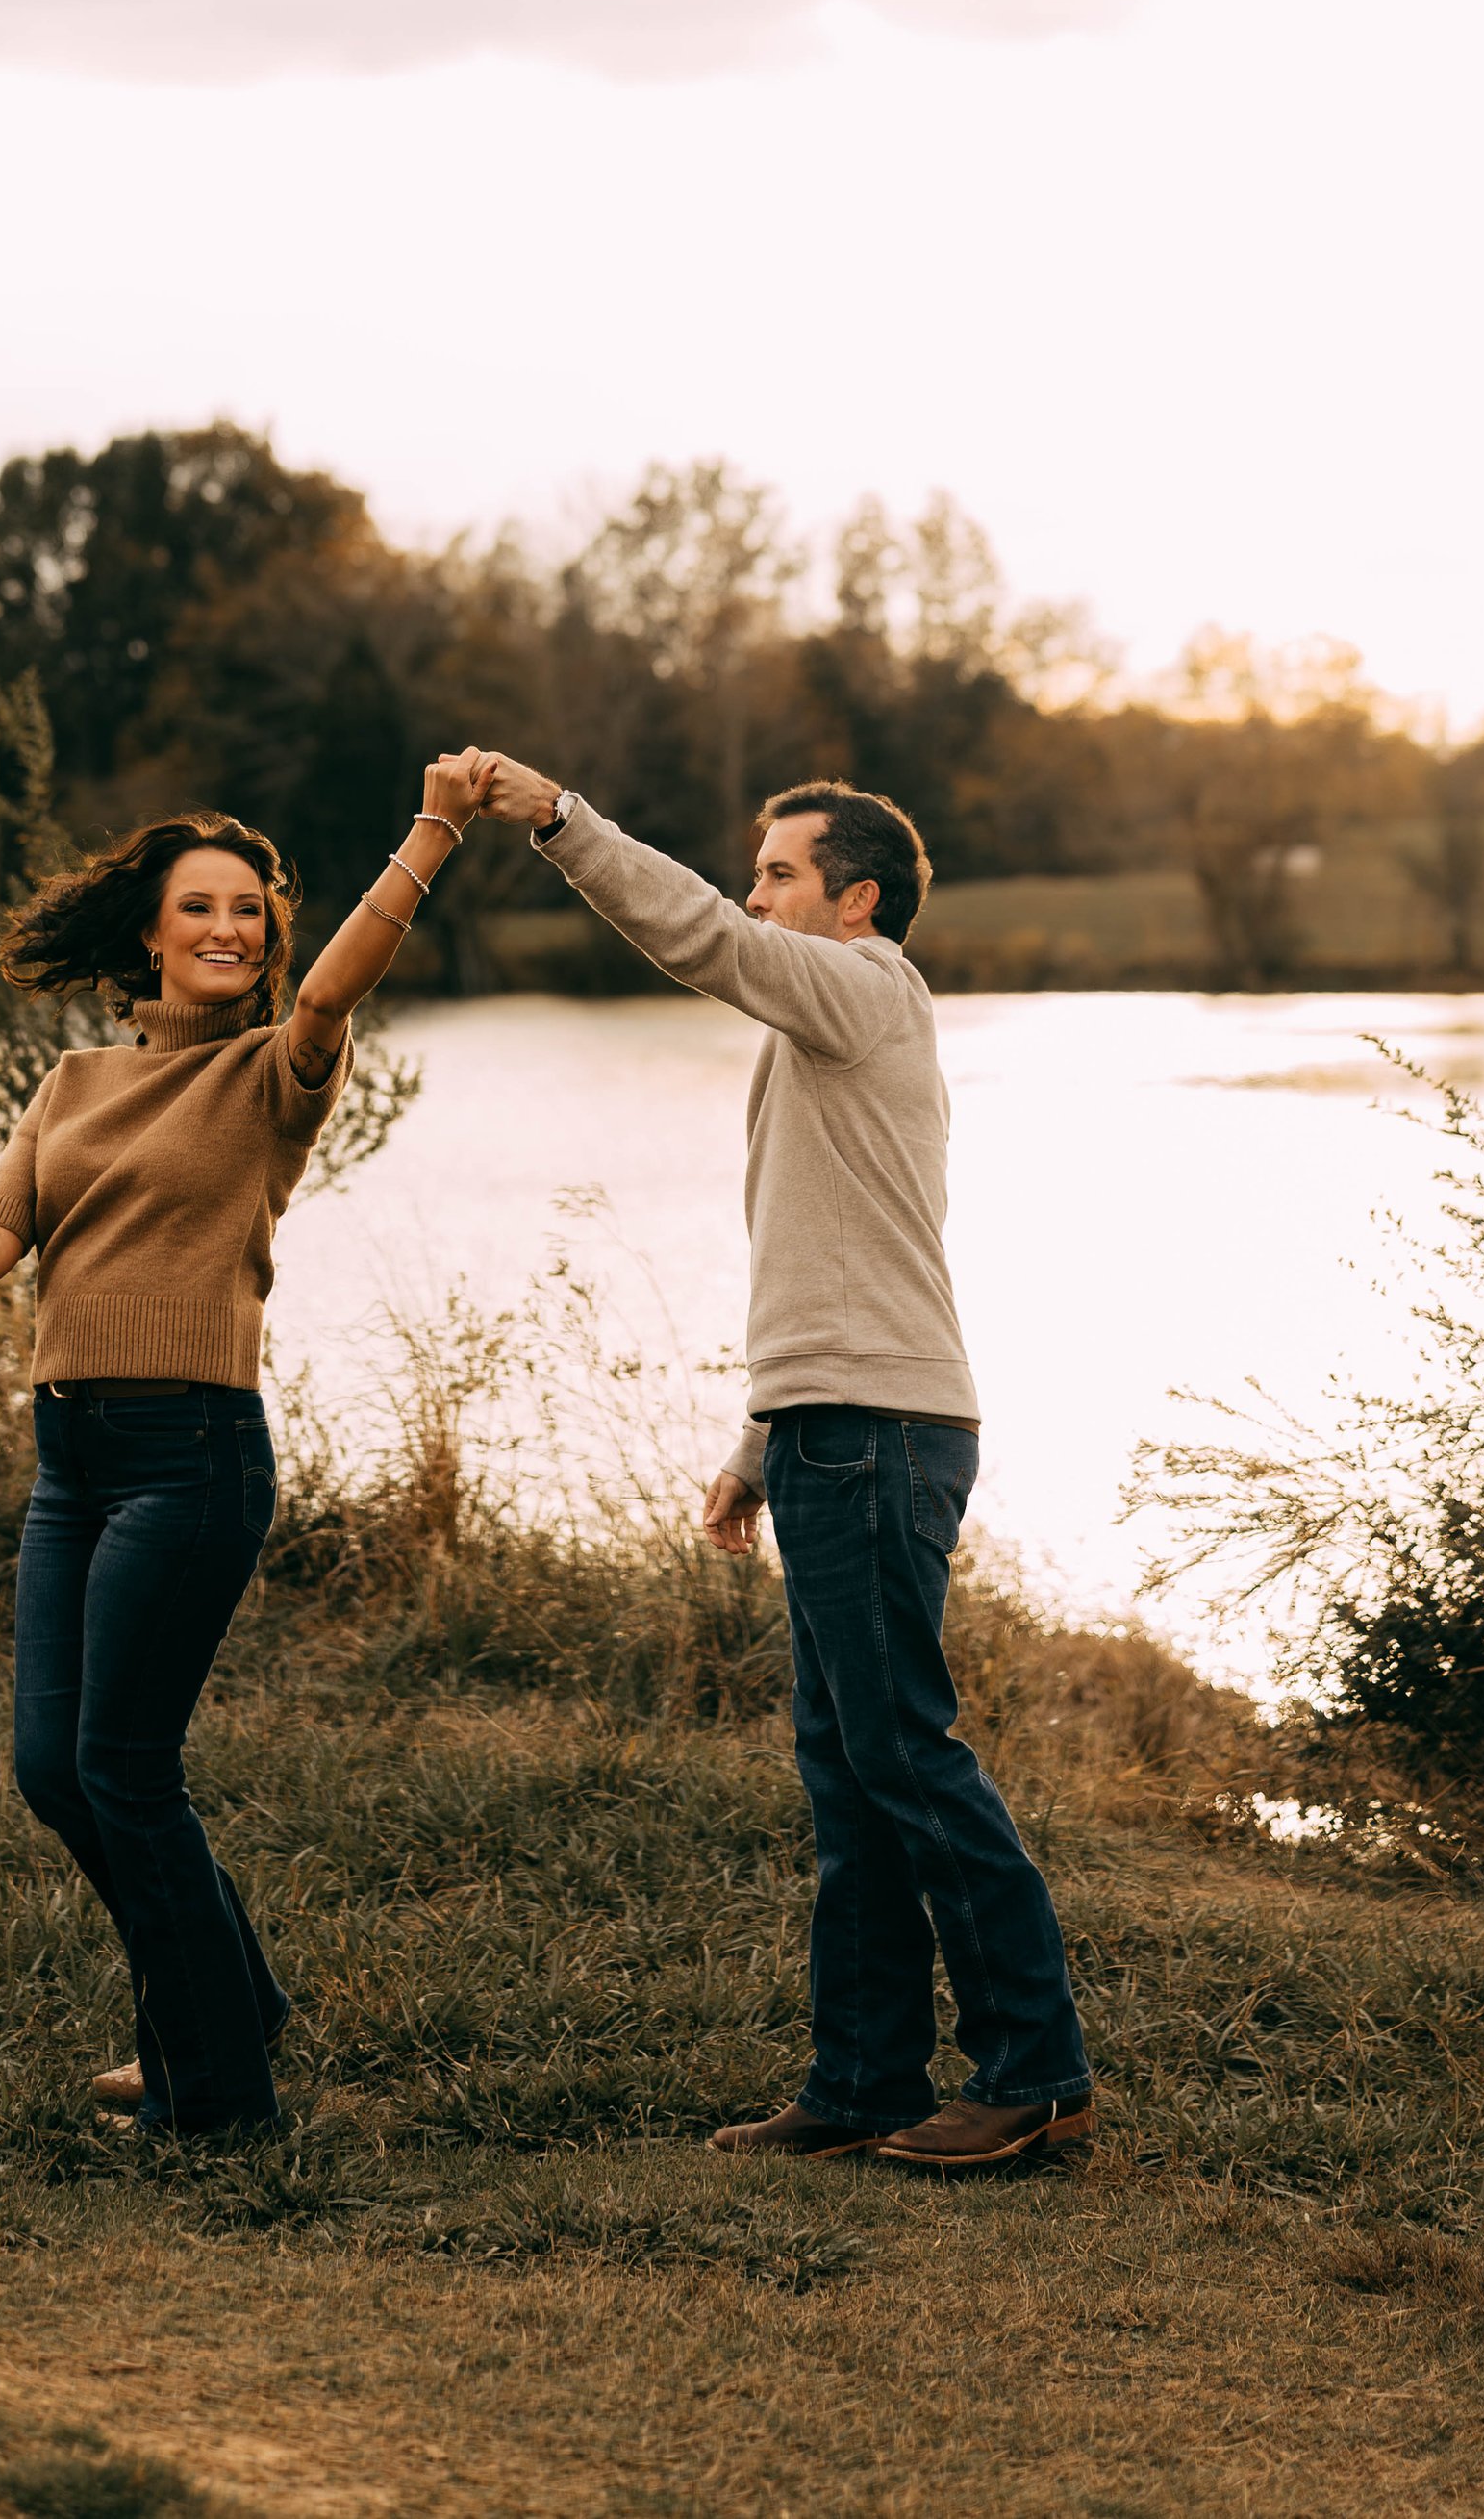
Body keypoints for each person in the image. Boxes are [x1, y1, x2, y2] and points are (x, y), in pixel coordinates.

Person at [0, 752, 493, 2139]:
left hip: (193, 1452)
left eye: (250, 909)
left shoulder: (279, 1068)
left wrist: (431, 826)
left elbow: (335, 983)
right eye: (200, 906)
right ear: (150, 930)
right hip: (72, 1458)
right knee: (54, 1770)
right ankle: (223, 2005)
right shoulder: (73, 1083)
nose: (228, 929)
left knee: (125, 1767)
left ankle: (223, 2096)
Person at [477, 758, 1093, 2173]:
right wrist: (762, 1441)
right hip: (838, 1425)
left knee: (906, 1756)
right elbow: (839, 1253)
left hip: (880, 1432)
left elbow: (698, 934)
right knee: (850, 1771)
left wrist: (563, 817)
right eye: (754, 873)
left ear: (855, 898)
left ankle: (1036, 2074)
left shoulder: (865, 985)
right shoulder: (832, 1027)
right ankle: (866, 2077)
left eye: (779, 874)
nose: (754, 896)